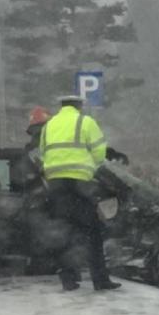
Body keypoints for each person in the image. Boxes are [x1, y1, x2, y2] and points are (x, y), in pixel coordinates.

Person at [40, 95, 121, 291]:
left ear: (61, 106)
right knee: (93, 232)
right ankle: (100, 280)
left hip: (56, 185)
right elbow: (99, 152)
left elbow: (43, 152)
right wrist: (89, 166)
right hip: (80, 185)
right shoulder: (85, 122)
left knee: (63, 231)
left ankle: (68, 280)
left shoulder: (49, 126)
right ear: (79, 106)